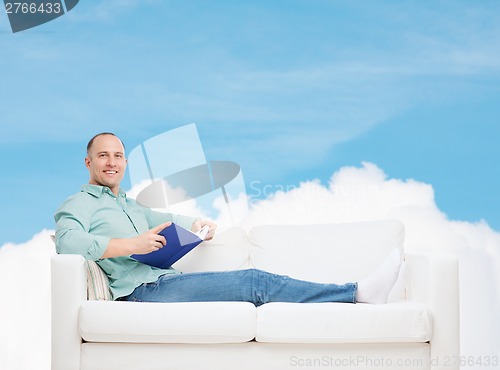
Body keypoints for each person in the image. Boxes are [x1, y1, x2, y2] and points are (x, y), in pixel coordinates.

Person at [54, 132, 402, 305]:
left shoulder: (130, 205)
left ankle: (352, 293)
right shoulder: (81, 202)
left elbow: (163, 215)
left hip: (161, 281)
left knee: (252, 281)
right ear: (89, 163)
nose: (111, 162)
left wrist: (196, 224)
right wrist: (132, 244)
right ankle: (356, 294)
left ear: (126, 163)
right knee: (254, 281)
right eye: (103, 156)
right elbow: (68, 241)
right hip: (140, 293)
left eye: (118, 156)